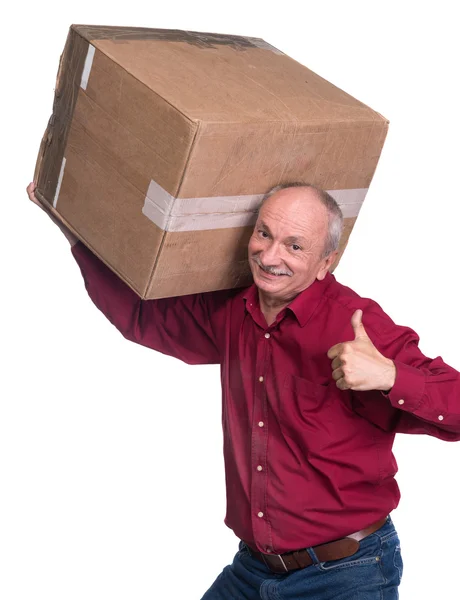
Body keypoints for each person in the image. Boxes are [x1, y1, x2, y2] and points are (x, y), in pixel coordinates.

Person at [26, 180, 460, 599]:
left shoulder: (357, 324)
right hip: (254, 570)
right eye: (263, 234)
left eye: (294, 245)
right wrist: (72, 231)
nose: (270, 255)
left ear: (327, 261)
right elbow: (143, 317)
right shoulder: (235, 309)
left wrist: (390, 377)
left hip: (345, 575)